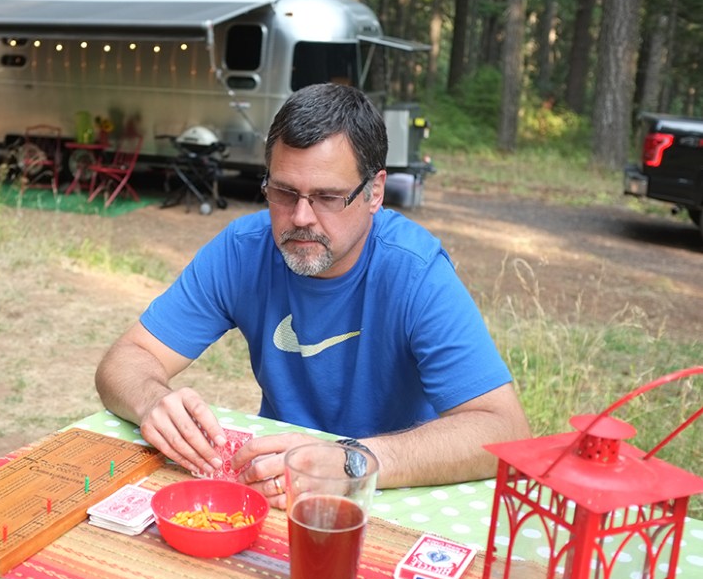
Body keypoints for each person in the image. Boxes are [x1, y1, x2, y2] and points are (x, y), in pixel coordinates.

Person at [95, 83, 531, 509]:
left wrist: (353, 462)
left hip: (391, 494)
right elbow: (126, 359)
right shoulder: (243, 250)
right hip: (276, 489)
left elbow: (504, 430)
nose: (301, 217)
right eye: (284, 192)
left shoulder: (415, 272)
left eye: (327, 197)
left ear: (375, 191)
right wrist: (151, 399)